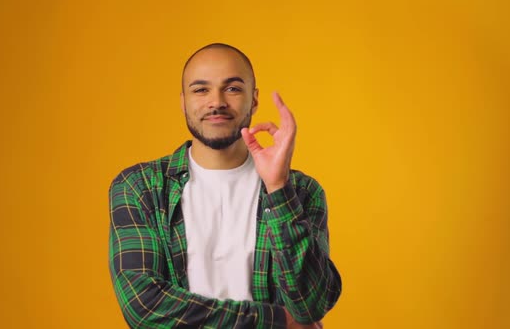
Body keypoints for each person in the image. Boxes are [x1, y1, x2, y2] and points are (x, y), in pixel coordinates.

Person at [108, 43, 342, 328]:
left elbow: (311, 305)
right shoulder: (140, 187)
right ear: (183, 101)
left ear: (253, 100)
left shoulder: (302, 191)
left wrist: (278, 188)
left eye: (232, 88)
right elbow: (144, 306)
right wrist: (277, 322)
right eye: (201, 89)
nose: (216, 102)